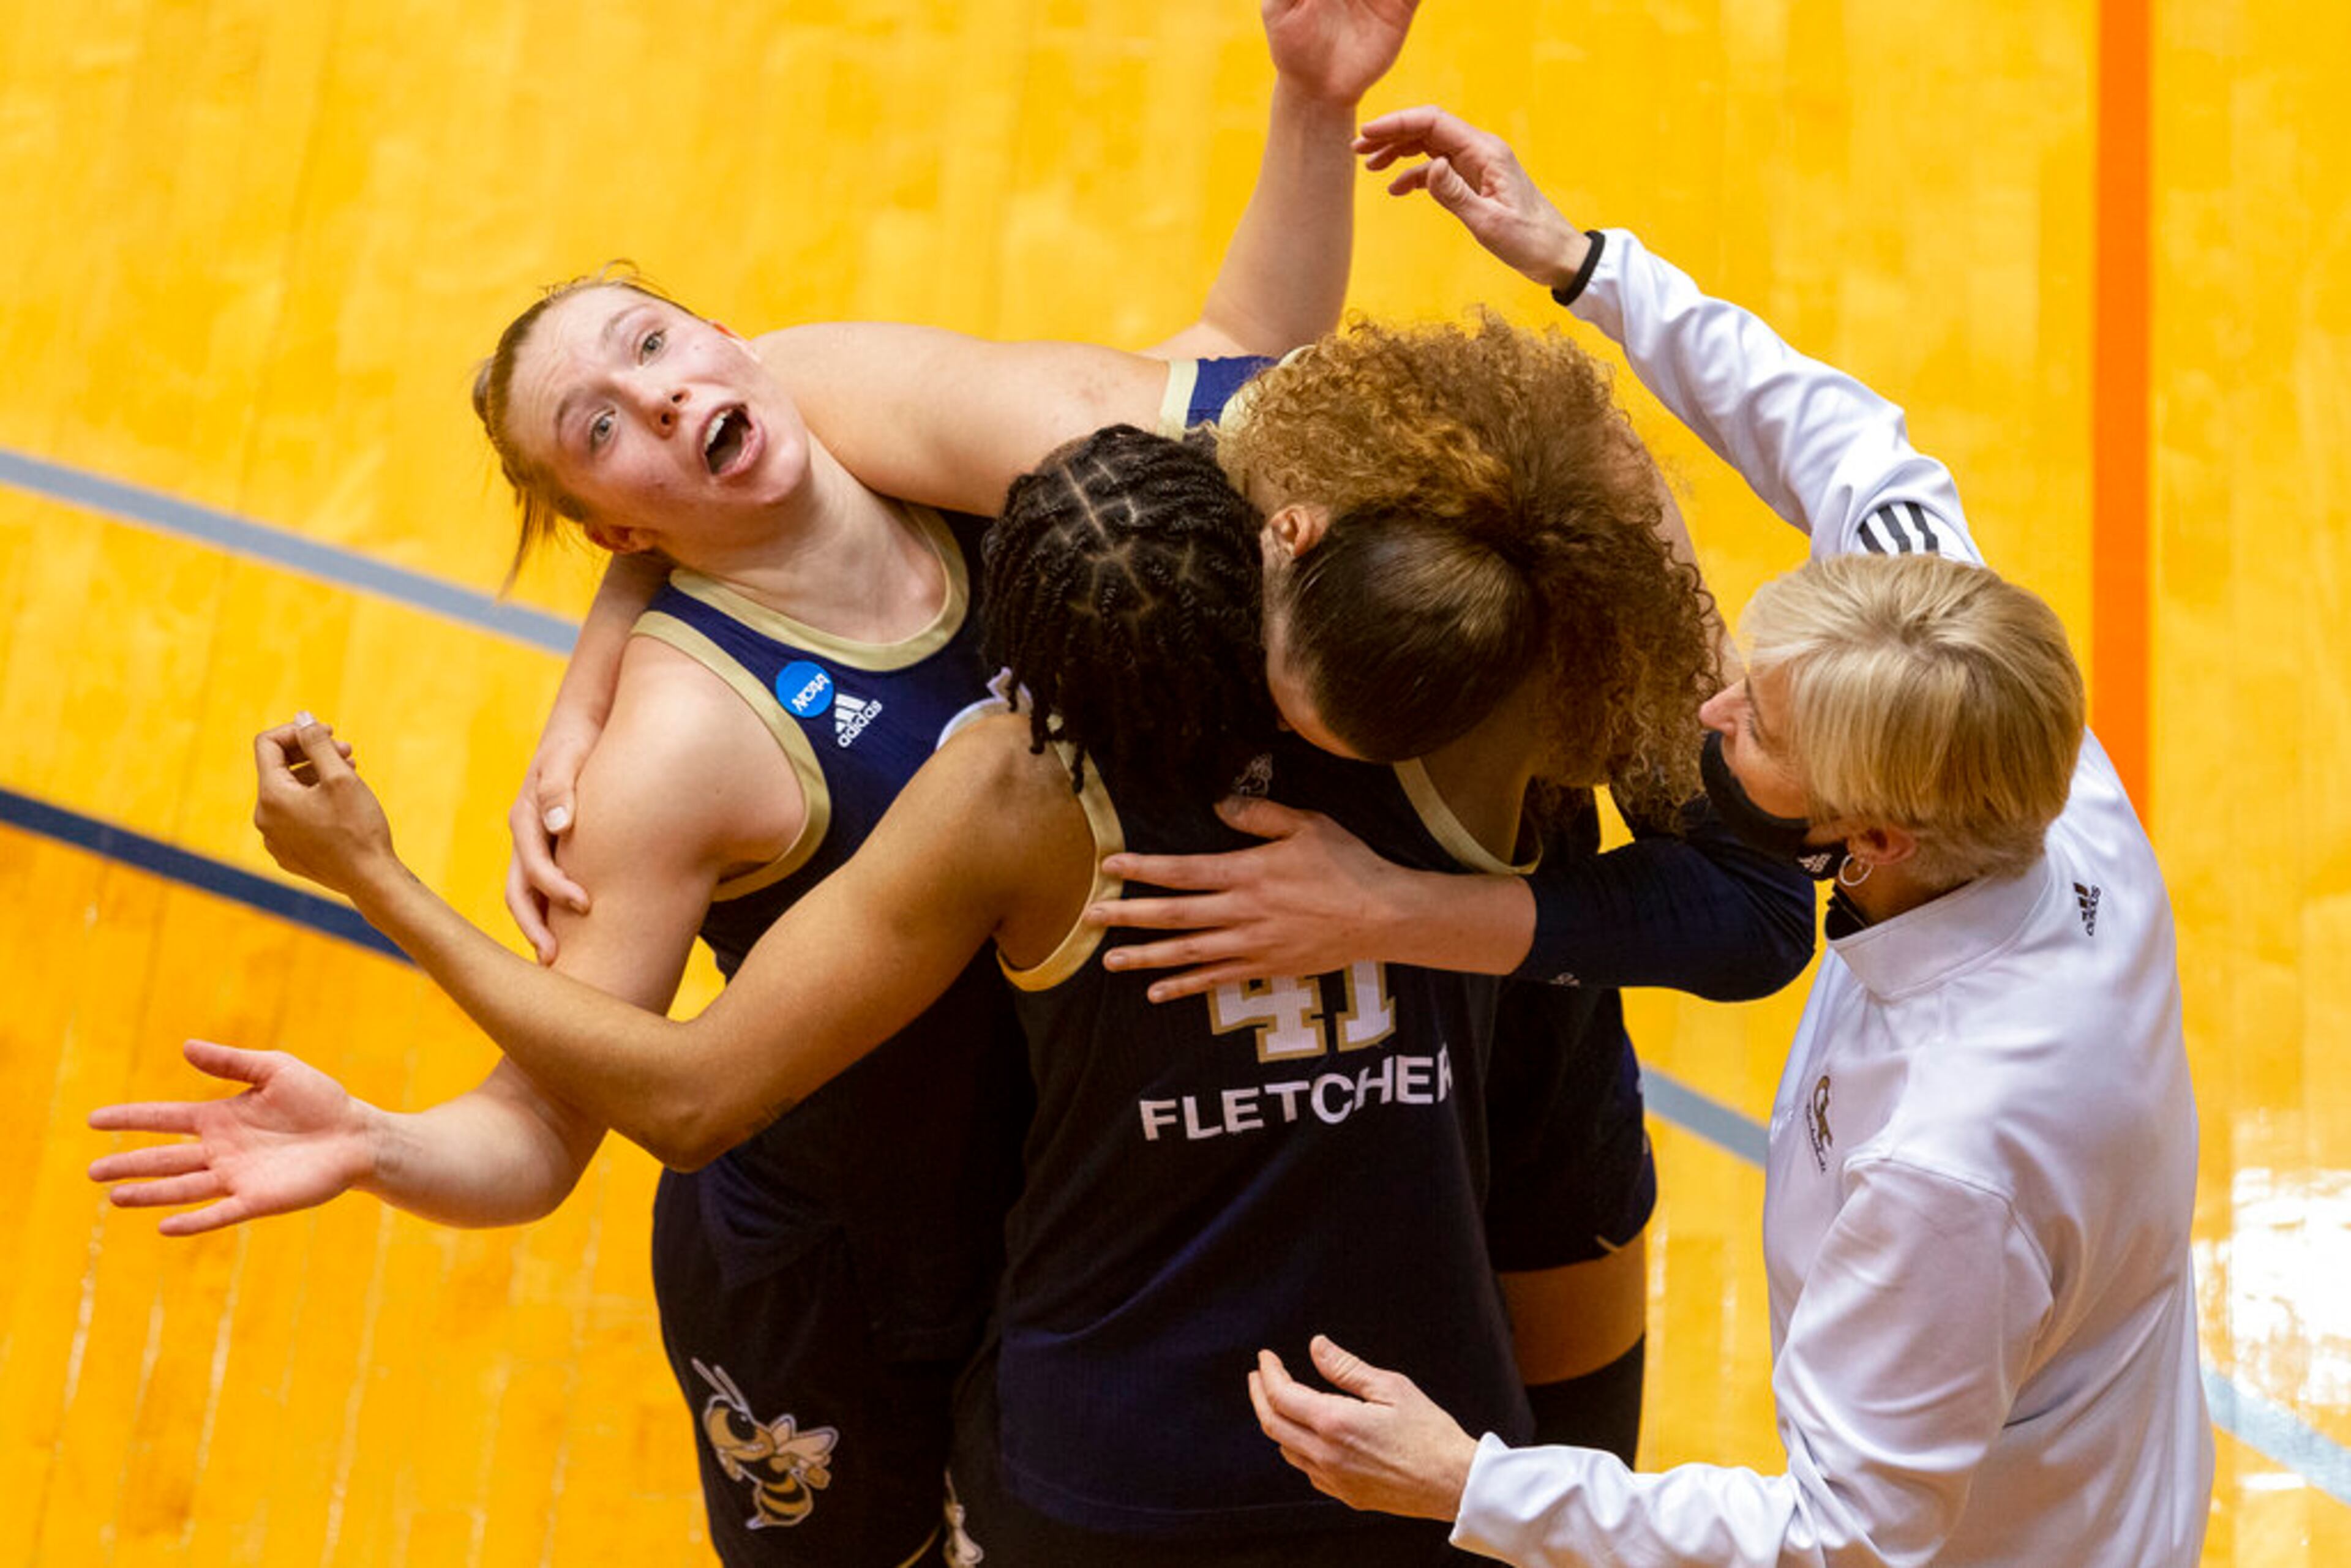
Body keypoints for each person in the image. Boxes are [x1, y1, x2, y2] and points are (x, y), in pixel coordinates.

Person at [82, 9, 1419, 1564]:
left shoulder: (871, 412)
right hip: (847, 1291)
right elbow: (544, 1133)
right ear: (608, 529)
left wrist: (1309, 104)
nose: (655, 399)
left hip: (1069, 1201)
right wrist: (376, 1143)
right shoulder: (677, 749)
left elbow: (1210, 373)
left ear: (728, 340)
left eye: (653, 346)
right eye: (602, 426)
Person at [238, 423, 1570, 1565]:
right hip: (905, 1282)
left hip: (1061, 1340)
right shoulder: (1439, 717)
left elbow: (686, 1096)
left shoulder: (1007, 785)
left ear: (1021, 658)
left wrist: (380, 881)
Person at [1234, 106, 2214, 1566]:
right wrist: (1584, 264)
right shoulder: (2010, 744)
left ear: (1864, 838)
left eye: (1752, 728)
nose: (1705, 708)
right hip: (2080, 1424)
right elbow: (1843, 439)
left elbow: (1849, 1539)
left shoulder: (1949, 1162)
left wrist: (1469, 1485)